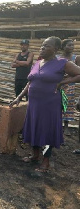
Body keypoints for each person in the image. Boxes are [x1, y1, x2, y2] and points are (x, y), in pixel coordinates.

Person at [9, 36, 80, 172]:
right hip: (34, 103)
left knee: (48, 131)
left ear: (56, 49)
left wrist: (61, 83)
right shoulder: (38, 63)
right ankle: (35, 155)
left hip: (50, 104)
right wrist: (19, 97)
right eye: (42, 45)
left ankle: (46, 162)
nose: (42, 48)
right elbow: (30, 82)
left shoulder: (62, 63)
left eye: (47, 46)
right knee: (34, 127)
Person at [57, 39, 80, 136]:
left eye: (72, 45)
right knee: (58, 104)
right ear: (63, 47)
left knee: (68, 104)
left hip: (70, 84)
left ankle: (66, 126)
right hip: (58, 83)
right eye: (69, 45)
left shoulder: (76, 57)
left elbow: (78, 72)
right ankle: (57, 125)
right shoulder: (57, 58)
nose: (71, 47)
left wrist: (68, 77)